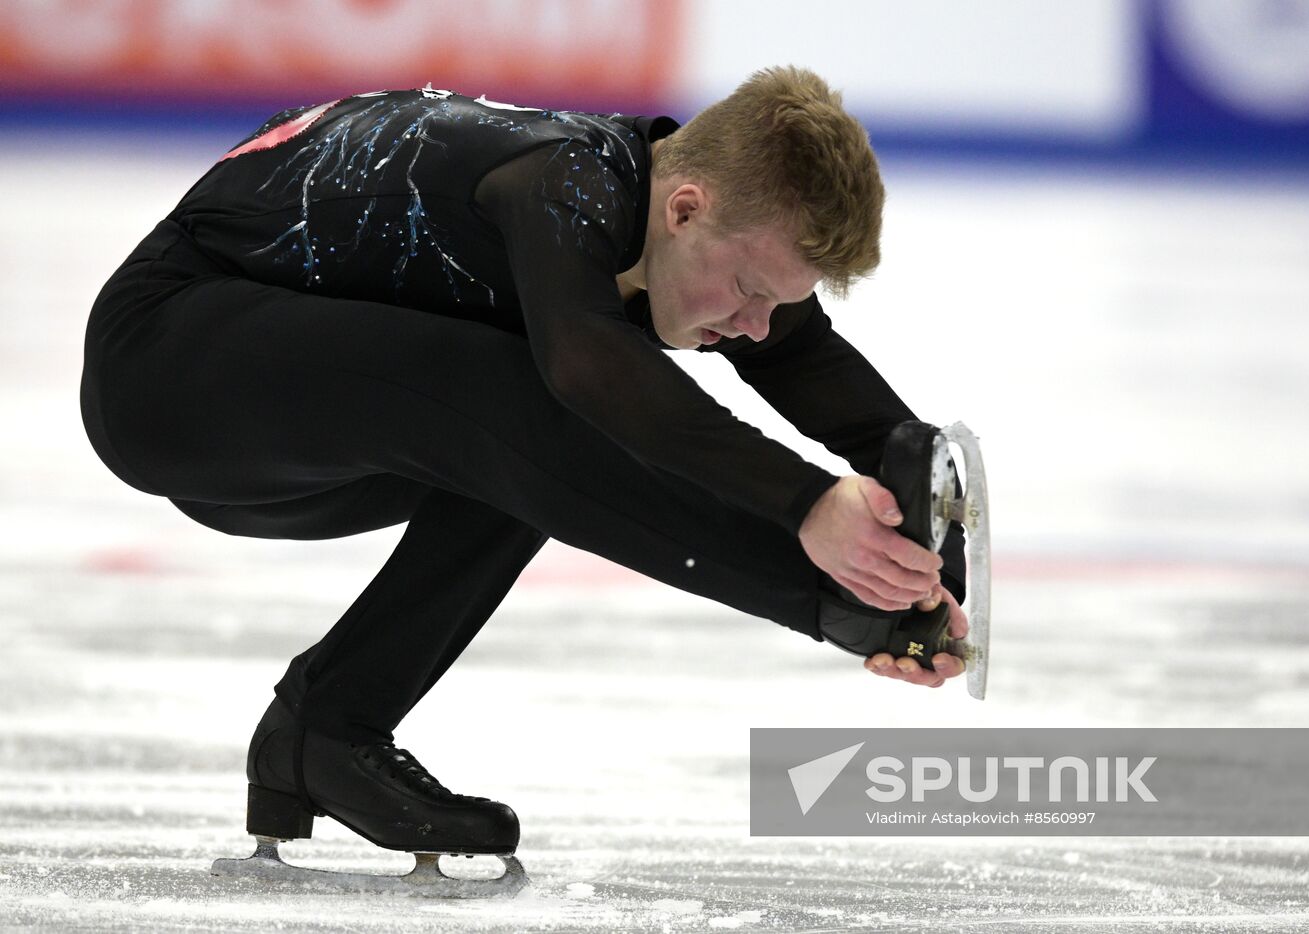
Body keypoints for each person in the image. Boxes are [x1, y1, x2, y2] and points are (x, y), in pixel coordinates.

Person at [78, 66, 969, 875]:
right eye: (748, 291)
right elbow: (588, 369)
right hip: (164, 374)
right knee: (545, 387)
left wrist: (917, 537)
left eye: (778, 304)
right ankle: (830, 608)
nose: (753, 325)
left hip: (311, 421)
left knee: (532, 422)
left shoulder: (658, 210)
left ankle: (328, 727)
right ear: (686, 208)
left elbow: (809, 368)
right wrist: (810, 520)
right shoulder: (562, 183)